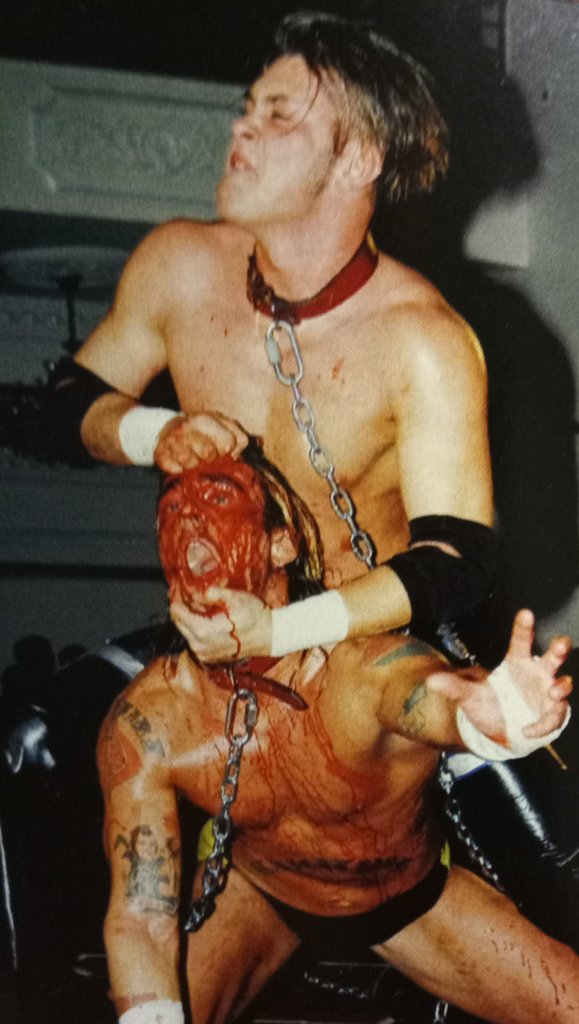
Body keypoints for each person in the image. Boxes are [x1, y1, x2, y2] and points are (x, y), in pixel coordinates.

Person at [50, 11, 497, 663]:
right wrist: (156, 432)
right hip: (217, 643)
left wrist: (281, 632)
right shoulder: (177, 267)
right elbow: (66, 400)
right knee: (47, 717)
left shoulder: (424, 342)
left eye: (279, 116)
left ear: (357, 159)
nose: (241, 127)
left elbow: (455, 560)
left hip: (358, 652)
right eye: (248, 108)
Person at [98, 446, 576, 1024]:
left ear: (282, 544)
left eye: (219, 498)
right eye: (173, 508)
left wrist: (495, 713)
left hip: (407, 900)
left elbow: (426, 692)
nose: (192, 516)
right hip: (259, 893)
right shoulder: (150, 721)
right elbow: (140, 921)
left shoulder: (356, 670)